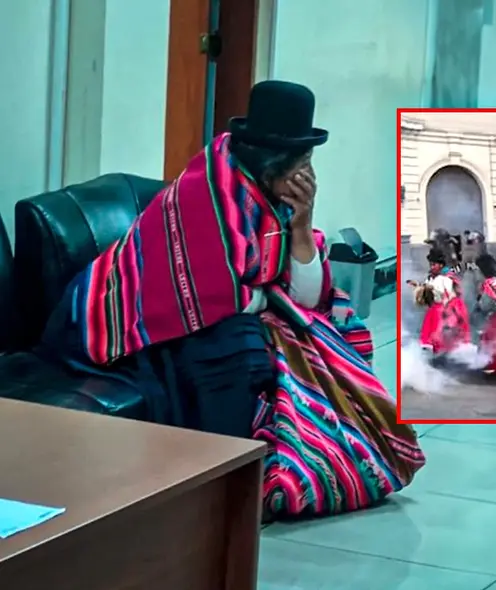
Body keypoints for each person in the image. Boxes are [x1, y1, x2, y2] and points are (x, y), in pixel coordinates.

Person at [38, 80, 425, 518]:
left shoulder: (274, 201)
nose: (307, 174)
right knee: (240, 343)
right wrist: (273, 301)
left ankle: (304, 444)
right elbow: (213, 296)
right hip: (114, 317)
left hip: (208, 318)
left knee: (333, 326)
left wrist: (303, 225)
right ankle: (226, 474)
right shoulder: (204, 192)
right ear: (272, 162)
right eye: (300, 163)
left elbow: (307, 295)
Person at [411, 248, 470, 354]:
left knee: (447, 331)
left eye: (434, 265)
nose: (432, 267)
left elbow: (449, 292)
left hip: (451, 307)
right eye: (431, 265)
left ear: (441, 265)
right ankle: (438, 350)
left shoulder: (448, 277)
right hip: (438, 307)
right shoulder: (433, 278)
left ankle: (451, 353)